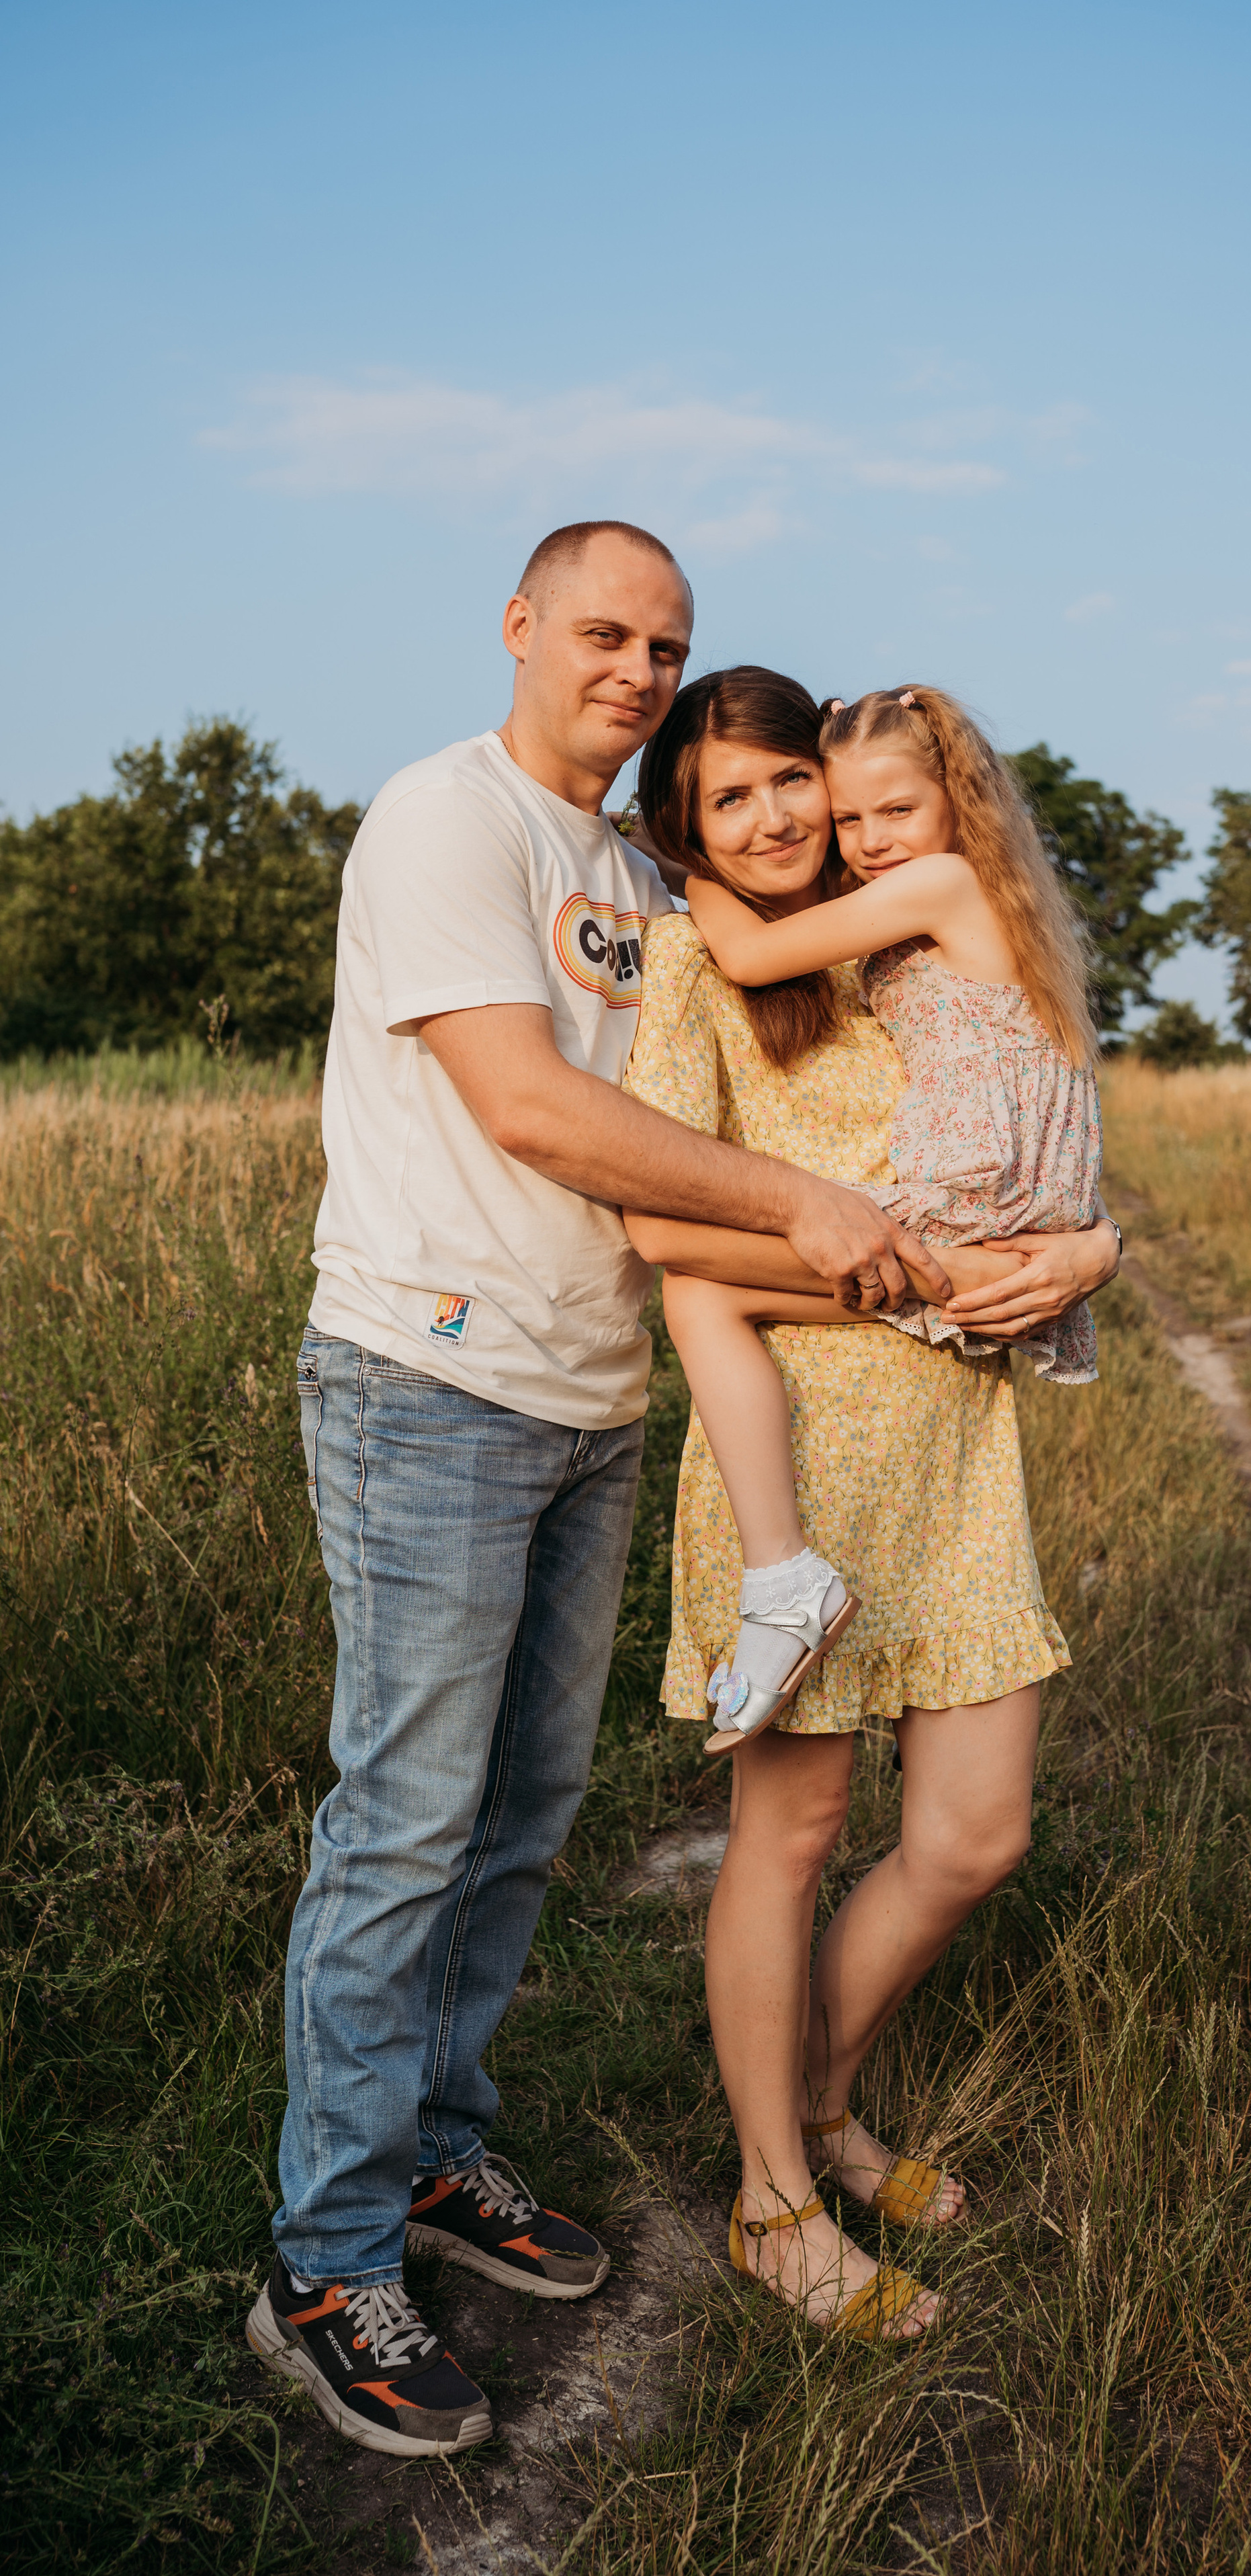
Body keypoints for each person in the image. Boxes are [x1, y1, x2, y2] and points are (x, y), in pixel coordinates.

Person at [246, 525, 955, 2461]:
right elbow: (537, 1107)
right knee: (404, 1820)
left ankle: (439, 2160)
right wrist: (808, 1205)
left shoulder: (633, 868)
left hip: (589, 1399)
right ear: (519, 630)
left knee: (523, 1816)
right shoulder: (444, 823)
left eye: (669, 645)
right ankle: (324, 2253)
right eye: (604, 634)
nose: (637, 668)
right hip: (427, 1380)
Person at [621, 666, 1120, 2337]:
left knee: (975, 1835)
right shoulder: (698, 965)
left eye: (788, 788)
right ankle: (773, 2197)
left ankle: (822, 2101)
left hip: (962, 1443)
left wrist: (1085, 1252)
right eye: (729, 803)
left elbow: (1037, 1138)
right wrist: (913, 1275)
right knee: (796, 1834)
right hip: (805, 1441)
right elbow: (666, 1236)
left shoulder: (895, 935)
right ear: (686, 832)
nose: (773, 823)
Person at [670, 683, 1103, 1756]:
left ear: (956, 800)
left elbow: (754, 957)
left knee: (699, 1287)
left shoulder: (944, 886)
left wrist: (678, 862)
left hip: (967, 1209)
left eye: (894, 812)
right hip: (997, 1205)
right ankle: (785, 1579)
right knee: (697, 1280)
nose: (868, 844)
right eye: (851, 819)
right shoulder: (962, 903)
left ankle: (782, 1577)